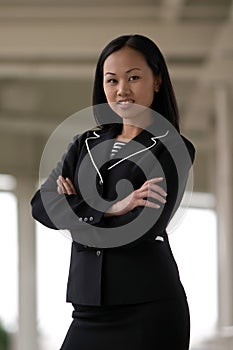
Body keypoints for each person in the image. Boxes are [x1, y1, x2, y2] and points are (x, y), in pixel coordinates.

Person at [31, 34, 195, 350]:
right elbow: (40, 205)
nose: (122, 90)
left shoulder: (172, 148)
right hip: (88, 308)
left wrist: (75, 203)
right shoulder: (84, 144)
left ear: (157, 81)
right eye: (112, 80)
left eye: (133, 77)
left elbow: (143, 227)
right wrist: (111, 208)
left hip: (148, 308)